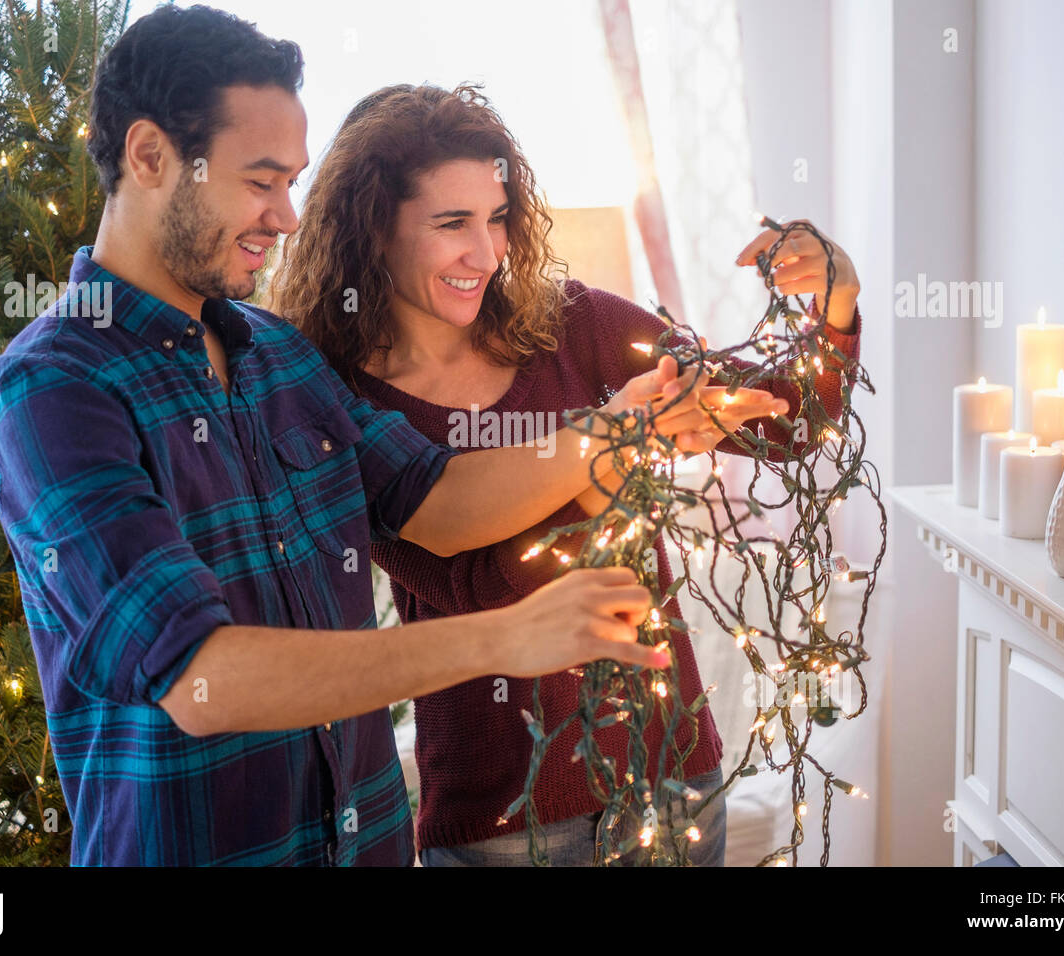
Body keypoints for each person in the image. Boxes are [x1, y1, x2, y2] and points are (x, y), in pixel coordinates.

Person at [0, 5, 760, 867]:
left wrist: (615, 429)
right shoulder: (54, 388)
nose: (284, 216)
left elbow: (437, 501)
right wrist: (506, 638)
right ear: (151, 155)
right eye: (260, 180)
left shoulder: (277, 355)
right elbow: (202, 680)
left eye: (292, 183)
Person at [270, 83, 862, 866]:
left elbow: (789, 423)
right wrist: (612, 459)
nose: (485, 254)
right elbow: (484, 591)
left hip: (673, 779)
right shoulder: (341, 401)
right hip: (503, 820)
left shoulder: (575, 326)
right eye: (452, 224)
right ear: (373, 228)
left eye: (498, 219)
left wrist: (838, 297)